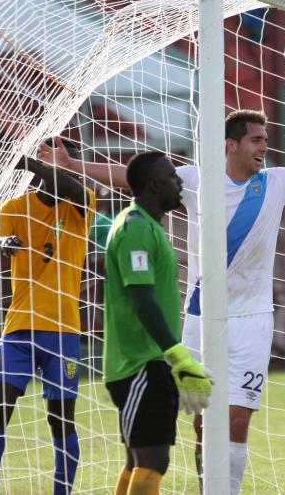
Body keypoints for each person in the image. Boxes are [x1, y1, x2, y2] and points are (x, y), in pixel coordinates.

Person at [37, 109, 285, 494]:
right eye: (255, 139)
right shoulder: (197, 179)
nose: (263, 146)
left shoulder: (278, 181)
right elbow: (130, 177)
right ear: (231, 145)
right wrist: (71, 165)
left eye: (265, 139)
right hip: (201, 316)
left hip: (252, 320)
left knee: (237, 418)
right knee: (203, 420)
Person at [0, 138, 94, 495]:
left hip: (62, 332)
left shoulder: (81, 203)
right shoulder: (14, 206)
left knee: (61, 422)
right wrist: (2, 245)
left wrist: (31, 161)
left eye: (67, 158)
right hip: (18, 329)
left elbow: (67, 184)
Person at [103, 151, 212, 495]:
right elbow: (141, 298)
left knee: (140, 461)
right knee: (151, 460)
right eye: (173, 177)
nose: (180, 183)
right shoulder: (135, 228)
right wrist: (177, 354)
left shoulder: (147, 226)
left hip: (147, 361)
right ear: (154, 184)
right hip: (139, 362)